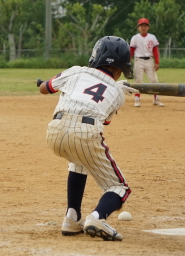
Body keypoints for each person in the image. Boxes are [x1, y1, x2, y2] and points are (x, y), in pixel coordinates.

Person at [38, 36, 136, 241]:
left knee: (79, 160)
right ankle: (97, 217)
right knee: (119, 188)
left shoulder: (76, 70)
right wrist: (118, 91)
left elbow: (45, 88)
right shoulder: (118, 94)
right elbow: (104, 122)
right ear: (124, 66)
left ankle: (72, 218)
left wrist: (47, 83)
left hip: (54, 131)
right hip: (85, 132)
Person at [130, 17, 164, 107]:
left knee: (154, 80)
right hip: (138, 60)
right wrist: (129, 61)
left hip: (149, 60)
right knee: (138, 81)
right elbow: (131, 50)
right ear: (138, 27)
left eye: (145, 25)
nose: (143, 27)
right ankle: (137, 99)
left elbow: (155, 50)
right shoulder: (135, 38)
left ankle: (156, 99)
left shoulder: (152, 37)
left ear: (148, 27)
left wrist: (157, 62)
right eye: (141, 25)